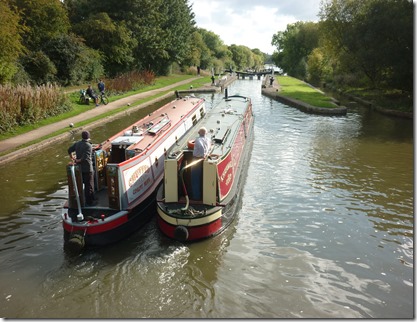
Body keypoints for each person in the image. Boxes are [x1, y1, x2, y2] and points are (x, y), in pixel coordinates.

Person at [68, 131, 95, 206]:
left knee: (80, 184)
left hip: (79, 169)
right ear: (89, 137)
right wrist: (77, 160)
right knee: (89, 186)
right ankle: (90, 202)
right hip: (87, 169)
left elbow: (69, 150)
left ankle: (81, 200)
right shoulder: (89, 145)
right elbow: (85, 158)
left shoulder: (77, 143)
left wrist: (72, 158)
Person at [191, 127, 211, 200]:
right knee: (206, 178)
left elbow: (201, 147)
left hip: (197, 160)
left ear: (199, 133)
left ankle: (196, 197)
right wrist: (206, 154)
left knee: (194, 178)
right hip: (205, 160)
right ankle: (207, 197)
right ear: (206, 133)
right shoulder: (208, 139)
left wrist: (203, 155)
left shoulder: (198, 139)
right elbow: (208, 147)